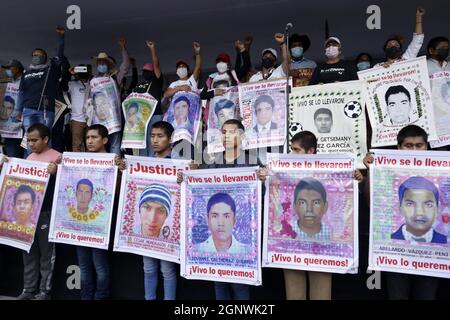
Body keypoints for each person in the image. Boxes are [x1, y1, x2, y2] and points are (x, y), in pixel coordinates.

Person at [257, 131, 363, 300]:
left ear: (311, 151)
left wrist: (355, 177)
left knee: (321, 295)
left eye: (296, 150)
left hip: (322, 246)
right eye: (291, 149)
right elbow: (274, 200)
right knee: (294, 295)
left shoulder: (331, 171)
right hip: (292, 244)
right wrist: (264, 180)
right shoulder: (282, 171)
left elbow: (345, 199)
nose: (291, 154)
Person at [363, 124, 441, 299]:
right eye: (408, 146)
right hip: (396, 254)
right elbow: (370, 202)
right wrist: (372, 171)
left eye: (419, 145)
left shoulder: (442, 170)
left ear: (427, 147)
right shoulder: (387, 169)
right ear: (398, 147)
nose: (414, 150)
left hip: (432, 255)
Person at [12, 123, 62, 300]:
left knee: (47, 254)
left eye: (34, 140)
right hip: (28, 214)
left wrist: (58, 172)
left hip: (47, 213)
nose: (31, 143)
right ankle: (28, 289)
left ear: (45, 139)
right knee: (28, 252)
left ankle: (44, 291)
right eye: (29, 140)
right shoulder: (28, 158)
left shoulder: (58, 157)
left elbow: (66, 185)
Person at [75, 124, 124, 300]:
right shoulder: (79, 161)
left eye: (94, 137)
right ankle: (86, 297)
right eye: (88, 138)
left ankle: (101, 297)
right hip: (80, 222)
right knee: (84, 265)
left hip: (100, 223)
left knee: (99, 265)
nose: (90, 141)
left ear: (104, 140)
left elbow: (118, 191)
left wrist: (119, 172)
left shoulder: (113, 161)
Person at [141, 120, 179, 300]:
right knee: (148, 268)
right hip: (146, 229)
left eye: (160, 136)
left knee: (167, 270)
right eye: (152, 136)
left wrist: (187, 175)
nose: (155, 140)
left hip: (167, 228)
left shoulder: (178, 163)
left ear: (170, 139)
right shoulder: (143, 162)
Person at [15, 27, 65, 153]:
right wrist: (18, 110)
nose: (35, 57)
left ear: (44, 57)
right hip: (27, 110)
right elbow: (21, 93)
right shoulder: (26, 73)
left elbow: (59, 56)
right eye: (33, 55)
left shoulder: (50, 71)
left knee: (45, 138)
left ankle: (45, 167)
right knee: (29, 139)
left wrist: (61, 39)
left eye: (38, 55)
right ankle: (30, 165)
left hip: (45, 110)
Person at [84, 37, 131, 155]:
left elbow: (126, 65)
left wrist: (123, 48)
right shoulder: (92, 80)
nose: (101, 65)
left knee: (115, 144)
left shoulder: (115, 77)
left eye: (103, 63)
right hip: (97, 118)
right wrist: (87, 113)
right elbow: (87, 99)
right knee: (96, 143)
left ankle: (114, 169)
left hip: (113, 118)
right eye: (99, 63)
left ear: (108, 64)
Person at [132, 41, 165, 157]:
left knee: (154, 140)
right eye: (144, 71)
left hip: (155, 114)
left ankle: (153, 163)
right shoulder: (141, 85)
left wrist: (152, 49)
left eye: (147, 71)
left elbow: (156, 64)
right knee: (143, 141)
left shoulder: (157, 80)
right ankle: (142, 164)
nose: (145, 73)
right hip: (142, 116)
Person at [391, 176, 446, 243]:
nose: (419, 212)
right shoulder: (389, 240)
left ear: (438, 209)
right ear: (400, 208)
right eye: (410, 204)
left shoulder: (446, 241)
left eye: (428, 205)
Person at [65, 64, 92, 152]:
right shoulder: (72, 84)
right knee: (76, 145)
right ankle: (77, 165)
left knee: (91, 144)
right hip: (77, 119)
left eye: (85, 70)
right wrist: (69, 73)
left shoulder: (93, 83)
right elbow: (62, 86)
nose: (83, 72)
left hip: (91, 119)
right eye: (80, 70)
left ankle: (90, 163)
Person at [1, 59, 24, 158]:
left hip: (22, 120)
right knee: (10, 149)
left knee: (21, 149)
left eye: (10, 68)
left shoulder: (25, 81)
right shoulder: (8, 82)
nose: (8, 71)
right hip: (8, 125)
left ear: (17, 69)